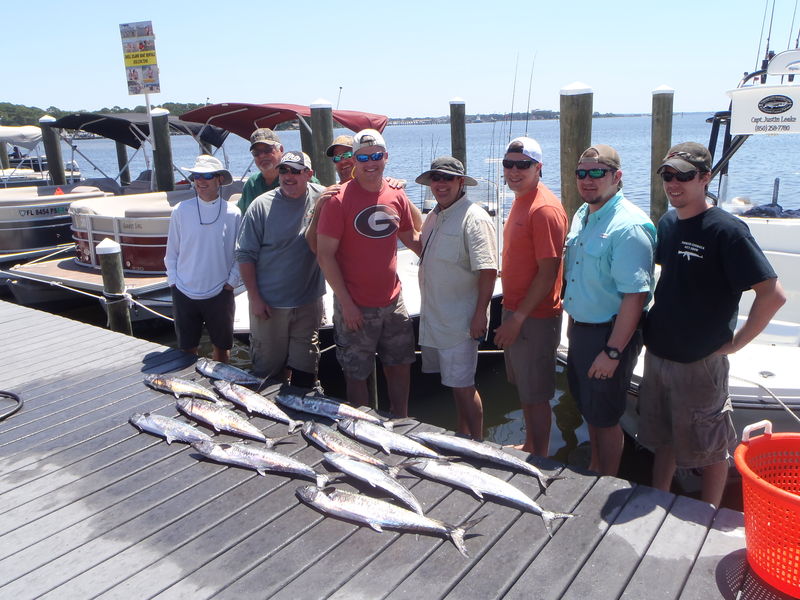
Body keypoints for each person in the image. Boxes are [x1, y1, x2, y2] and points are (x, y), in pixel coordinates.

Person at [638, 142, 786, 507]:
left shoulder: (728, 231)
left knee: (712, 448)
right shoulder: (668, 222)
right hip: (658, 355)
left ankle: (709, 515)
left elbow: (773, 295)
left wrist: (736, 343)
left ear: (705, 178)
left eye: (684, 176)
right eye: (667, 175)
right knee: (664, 438)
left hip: (700, 365)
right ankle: (659, 496)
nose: (673, 183)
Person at [562, 144, 656, 476]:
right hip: (582, 331)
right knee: (590, 409)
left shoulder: (628, 226)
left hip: (609, 336)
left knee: (605, 416)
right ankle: (594, 466)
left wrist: (613, 352)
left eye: (597, 173)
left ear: (617, 177)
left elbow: (635, 298)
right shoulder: (583, 214)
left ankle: (606, 480)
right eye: (582, 173)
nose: (588, 180)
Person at [315, 128, 421, 416]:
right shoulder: (338, 200)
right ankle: (362, 426)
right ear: (354, 159)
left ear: (385, 157)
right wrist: (347, 304)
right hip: (355, 304)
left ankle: (401, 419)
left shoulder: (396, 194)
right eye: (363, 157)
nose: (370, 162)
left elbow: (413, 238)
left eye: (376, 156)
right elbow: (325, 256)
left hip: (393, 300)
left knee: (399, 365)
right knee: (356, 372)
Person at [493, 137, 568, 456]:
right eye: (508, 164)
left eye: (522, 165)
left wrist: (518, 319)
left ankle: (540, 456)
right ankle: (529, 445)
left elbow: (548, 272)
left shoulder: (544, 208)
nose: (514, 171)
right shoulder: (520, 199)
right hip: (515, 309)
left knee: (537, 394)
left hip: (534, 318)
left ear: (538, 168)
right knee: (525, 388)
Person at [416, 156, 497, 439]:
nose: (440, 184)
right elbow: (422, 247)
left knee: (464, 386)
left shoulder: (475, 218)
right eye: (435, 178)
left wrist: (480, 315)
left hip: (460, 323)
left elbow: (488, 269)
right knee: (454, 385)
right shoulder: (435, 214)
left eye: (448, 178)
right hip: (437, 319)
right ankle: (463, 438)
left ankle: (477, 444)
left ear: (461, 182)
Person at [236, 151, 326, 388]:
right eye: (283, 170)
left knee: (306, 374)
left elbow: (355, 193)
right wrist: (255, 298)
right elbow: (244, 255)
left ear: (309, 175)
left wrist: (391, 183)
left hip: (308, 304)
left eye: (296, 171)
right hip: (269, 306)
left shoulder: (323, 197)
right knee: (267, 374)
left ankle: (304, 422)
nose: (288, 176)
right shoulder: (260, 206)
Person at [165, 155, 241, 363]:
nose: (201, 181)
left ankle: (222, 387)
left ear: (219, 179)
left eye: (207, 175)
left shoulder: (234, 213)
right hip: (184, 291)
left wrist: (231, 282)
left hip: (220, 292)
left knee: (222, 349)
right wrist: (174, 282)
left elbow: (240, 253)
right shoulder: (180, 211)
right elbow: (171, 253)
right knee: (187, 350)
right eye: (196, 176)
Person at [237, 128, 284, 215]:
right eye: (256, 153)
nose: (262, 155)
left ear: (280, 149)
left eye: (267, 150)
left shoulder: (297, 177)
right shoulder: (251, 184)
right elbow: (241, 215)